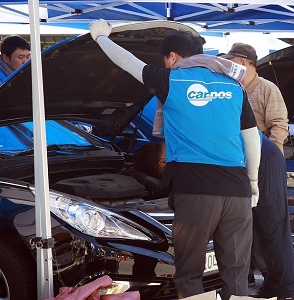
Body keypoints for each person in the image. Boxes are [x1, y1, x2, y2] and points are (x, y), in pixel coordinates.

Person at [89, 20, 261, 300]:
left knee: (189, 273)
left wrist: (101, 37)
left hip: (196, 190)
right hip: (238, 190)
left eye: (165, 61)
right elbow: (252, 139)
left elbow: (126, 61)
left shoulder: (171, 79)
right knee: (236, 273)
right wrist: (252, 181)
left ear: (172, 57)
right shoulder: (234, 86)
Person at [253, 134, 294, 300]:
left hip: (265, 158)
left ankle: (286, 290)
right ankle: (273, 285)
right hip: (254, 156)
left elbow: (279, 125)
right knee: (260, 229)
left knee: (274, 227)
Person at [222, 43, 288, 153]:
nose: (229, 65)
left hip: (259, 153)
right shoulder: (229, 87)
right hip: (233, 153)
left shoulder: (267, 88)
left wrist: (271, 155)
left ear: (242, 62)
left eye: (231, 61)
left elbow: (279, 126)